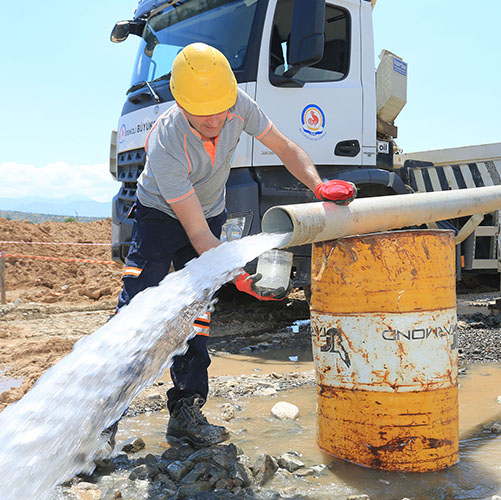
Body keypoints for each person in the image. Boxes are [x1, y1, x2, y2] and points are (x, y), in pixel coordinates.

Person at [115, 42, 356, 448]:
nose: (215, 119)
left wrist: (318, 185)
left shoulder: (235, 102)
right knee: (133, 314)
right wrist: (240, 277)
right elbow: (198, 238)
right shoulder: (166, 144)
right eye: (202, 112)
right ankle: (103, 422)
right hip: (161, 218)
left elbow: (284, 147)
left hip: (208, 212)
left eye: (221, 109)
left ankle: (187, 412)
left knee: (198, 315)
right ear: (180, 101)